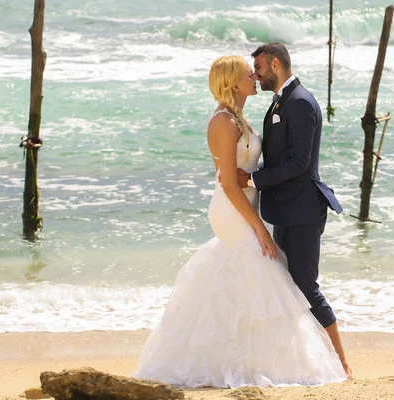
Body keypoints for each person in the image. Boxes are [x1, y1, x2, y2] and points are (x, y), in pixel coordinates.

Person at [132, 55, 347, 388]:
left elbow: (269, 168)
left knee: (246, 280)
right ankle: (261, 362)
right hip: (233, 211)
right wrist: (260, 227)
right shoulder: (224, 121)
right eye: (250, 74)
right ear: (234, 84)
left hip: (247, 208)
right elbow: (230, 184)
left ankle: (244, 359)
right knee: (264, 273)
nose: (255, 77)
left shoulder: (239, 117)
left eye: (256, 70)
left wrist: (259, 201)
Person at [234, 42, 352, 379]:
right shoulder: (281, 100)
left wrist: (253, 180)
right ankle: (301, 359)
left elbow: (298, 163)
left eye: (258, 68)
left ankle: (342, 363)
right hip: (285, 209)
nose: (255, 75)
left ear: (275, 64)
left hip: (302, 210)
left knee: (305, 285)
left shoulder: (300, 103)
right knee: (286, 284)